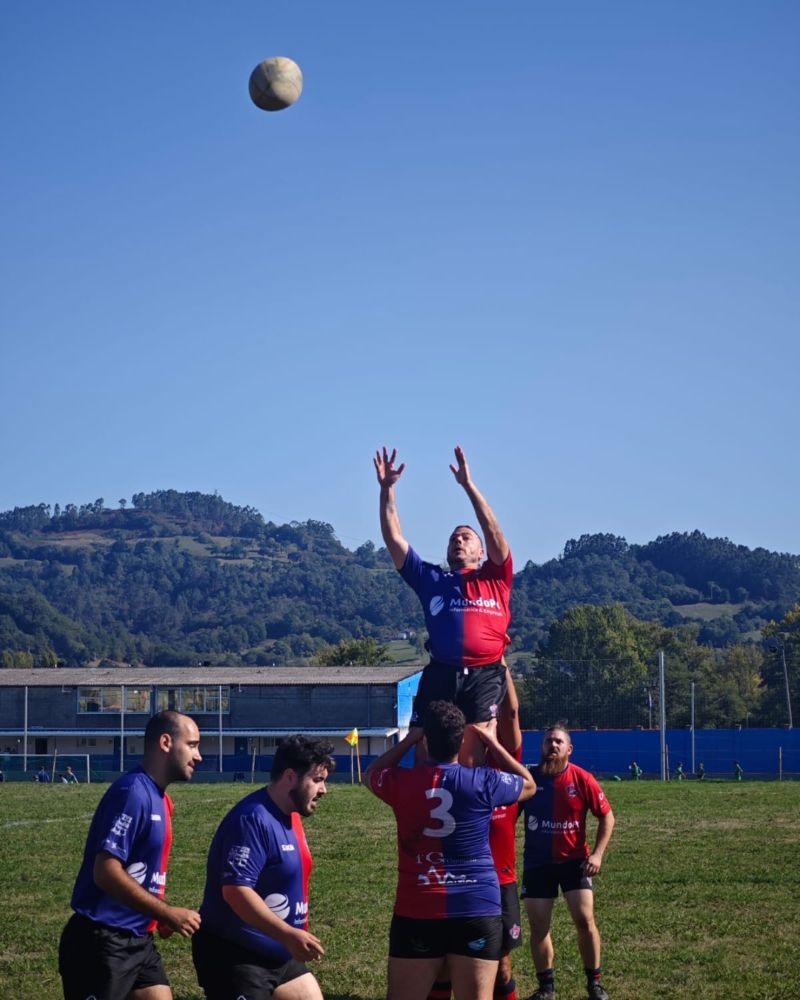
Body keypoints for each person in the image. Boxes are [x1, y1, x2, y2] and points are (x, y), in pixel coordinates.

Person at [365, 701, 536, 1000]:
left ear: (426, 739)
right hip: (476, 905)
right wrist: (492, 742)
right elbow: (529, 785)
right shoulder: (483, 781)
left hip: (418, 905)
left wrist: (408, 740)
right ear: (461, 741)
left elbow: (370, 774)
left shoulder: (402, 782)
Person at [374, 445, 512, 763]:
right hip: (441, 671)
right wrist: (387, 490)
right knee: (425, 744)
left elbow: (493, 529)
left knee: (475, 741)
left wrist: (468, 485)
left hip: (484, 672)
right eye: (454, 537)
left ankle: (471, 804)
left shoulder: (497, 576)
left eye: (466, 536)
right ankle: (425, 805)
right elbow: (394, 538)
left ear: (481, 552)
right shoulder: (431, 578)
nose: (459, 539)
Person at [59, 710, 203, 1000]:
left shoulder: (162, 799)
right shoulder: (132, 793)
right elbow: (105, 871)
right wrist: (166, 912)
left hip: (138, 940)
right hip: (102, 942)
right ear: (165, 742)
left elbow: (139, 870)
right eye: (192, 745)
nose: (198, 756)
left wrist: (155, 914)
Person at [193, 735, 335, 1000]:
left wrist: (287, 937)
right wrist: (288, 934)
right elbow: (236, 891)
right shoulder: (252, 820)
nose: (324, 789)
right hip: (236, 953)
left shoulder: (291, 816)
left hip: (277, 951)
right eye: (317, 780)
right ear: (291, 777)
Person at [427, 670, 526, 1000]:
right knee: (441, 964)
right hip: (451, 880)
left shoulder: (502, 777)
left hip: (500, 882)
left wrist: (502, 668)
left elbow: (511, 713)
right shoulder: (448, 779)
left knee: (502, 965)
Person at [521, 726, 615, 1000]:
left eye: (559, 741)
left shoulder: (582, 779)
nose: (553, 745)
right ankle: (546, 988)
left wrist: (596, 855)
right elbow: (506, 817)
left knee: (585, 920)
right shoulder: (530, 780)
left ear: (569, 749)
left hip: (575, 863)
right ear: (542, 746)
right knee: (539, 927)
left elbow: (607, 817)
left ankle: (594, 983)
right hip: (538, 864)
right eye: (549, 741)